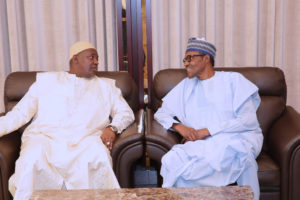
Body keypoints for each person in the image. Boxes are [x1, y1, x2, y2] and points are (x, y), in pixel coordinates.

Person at [0, 41, 134, 199]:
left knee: (98, 156)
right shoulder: (45, 82)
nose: (97, 62)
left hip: (86, 140)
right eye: (91, 57)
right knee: (32, 158)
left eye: (97, 58)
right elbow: (19, 114)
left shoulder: (107, 87)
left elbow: (125, 112)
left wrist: (113, 128)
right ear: (75, 59)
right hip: (45, 138)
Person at [154, 37, 263, 200]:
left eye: (190, 58)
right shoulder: (186, 85)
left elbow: (247, 121)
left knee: (237, 157)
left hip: (236, 138)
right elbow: (161, 113)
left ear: (206, 58)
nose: (186, 63)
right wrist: (179, 127)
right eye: (185, 59)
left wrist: (208, 131)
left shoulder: (233, 80)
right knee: (171, 160)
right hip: (201, 143)